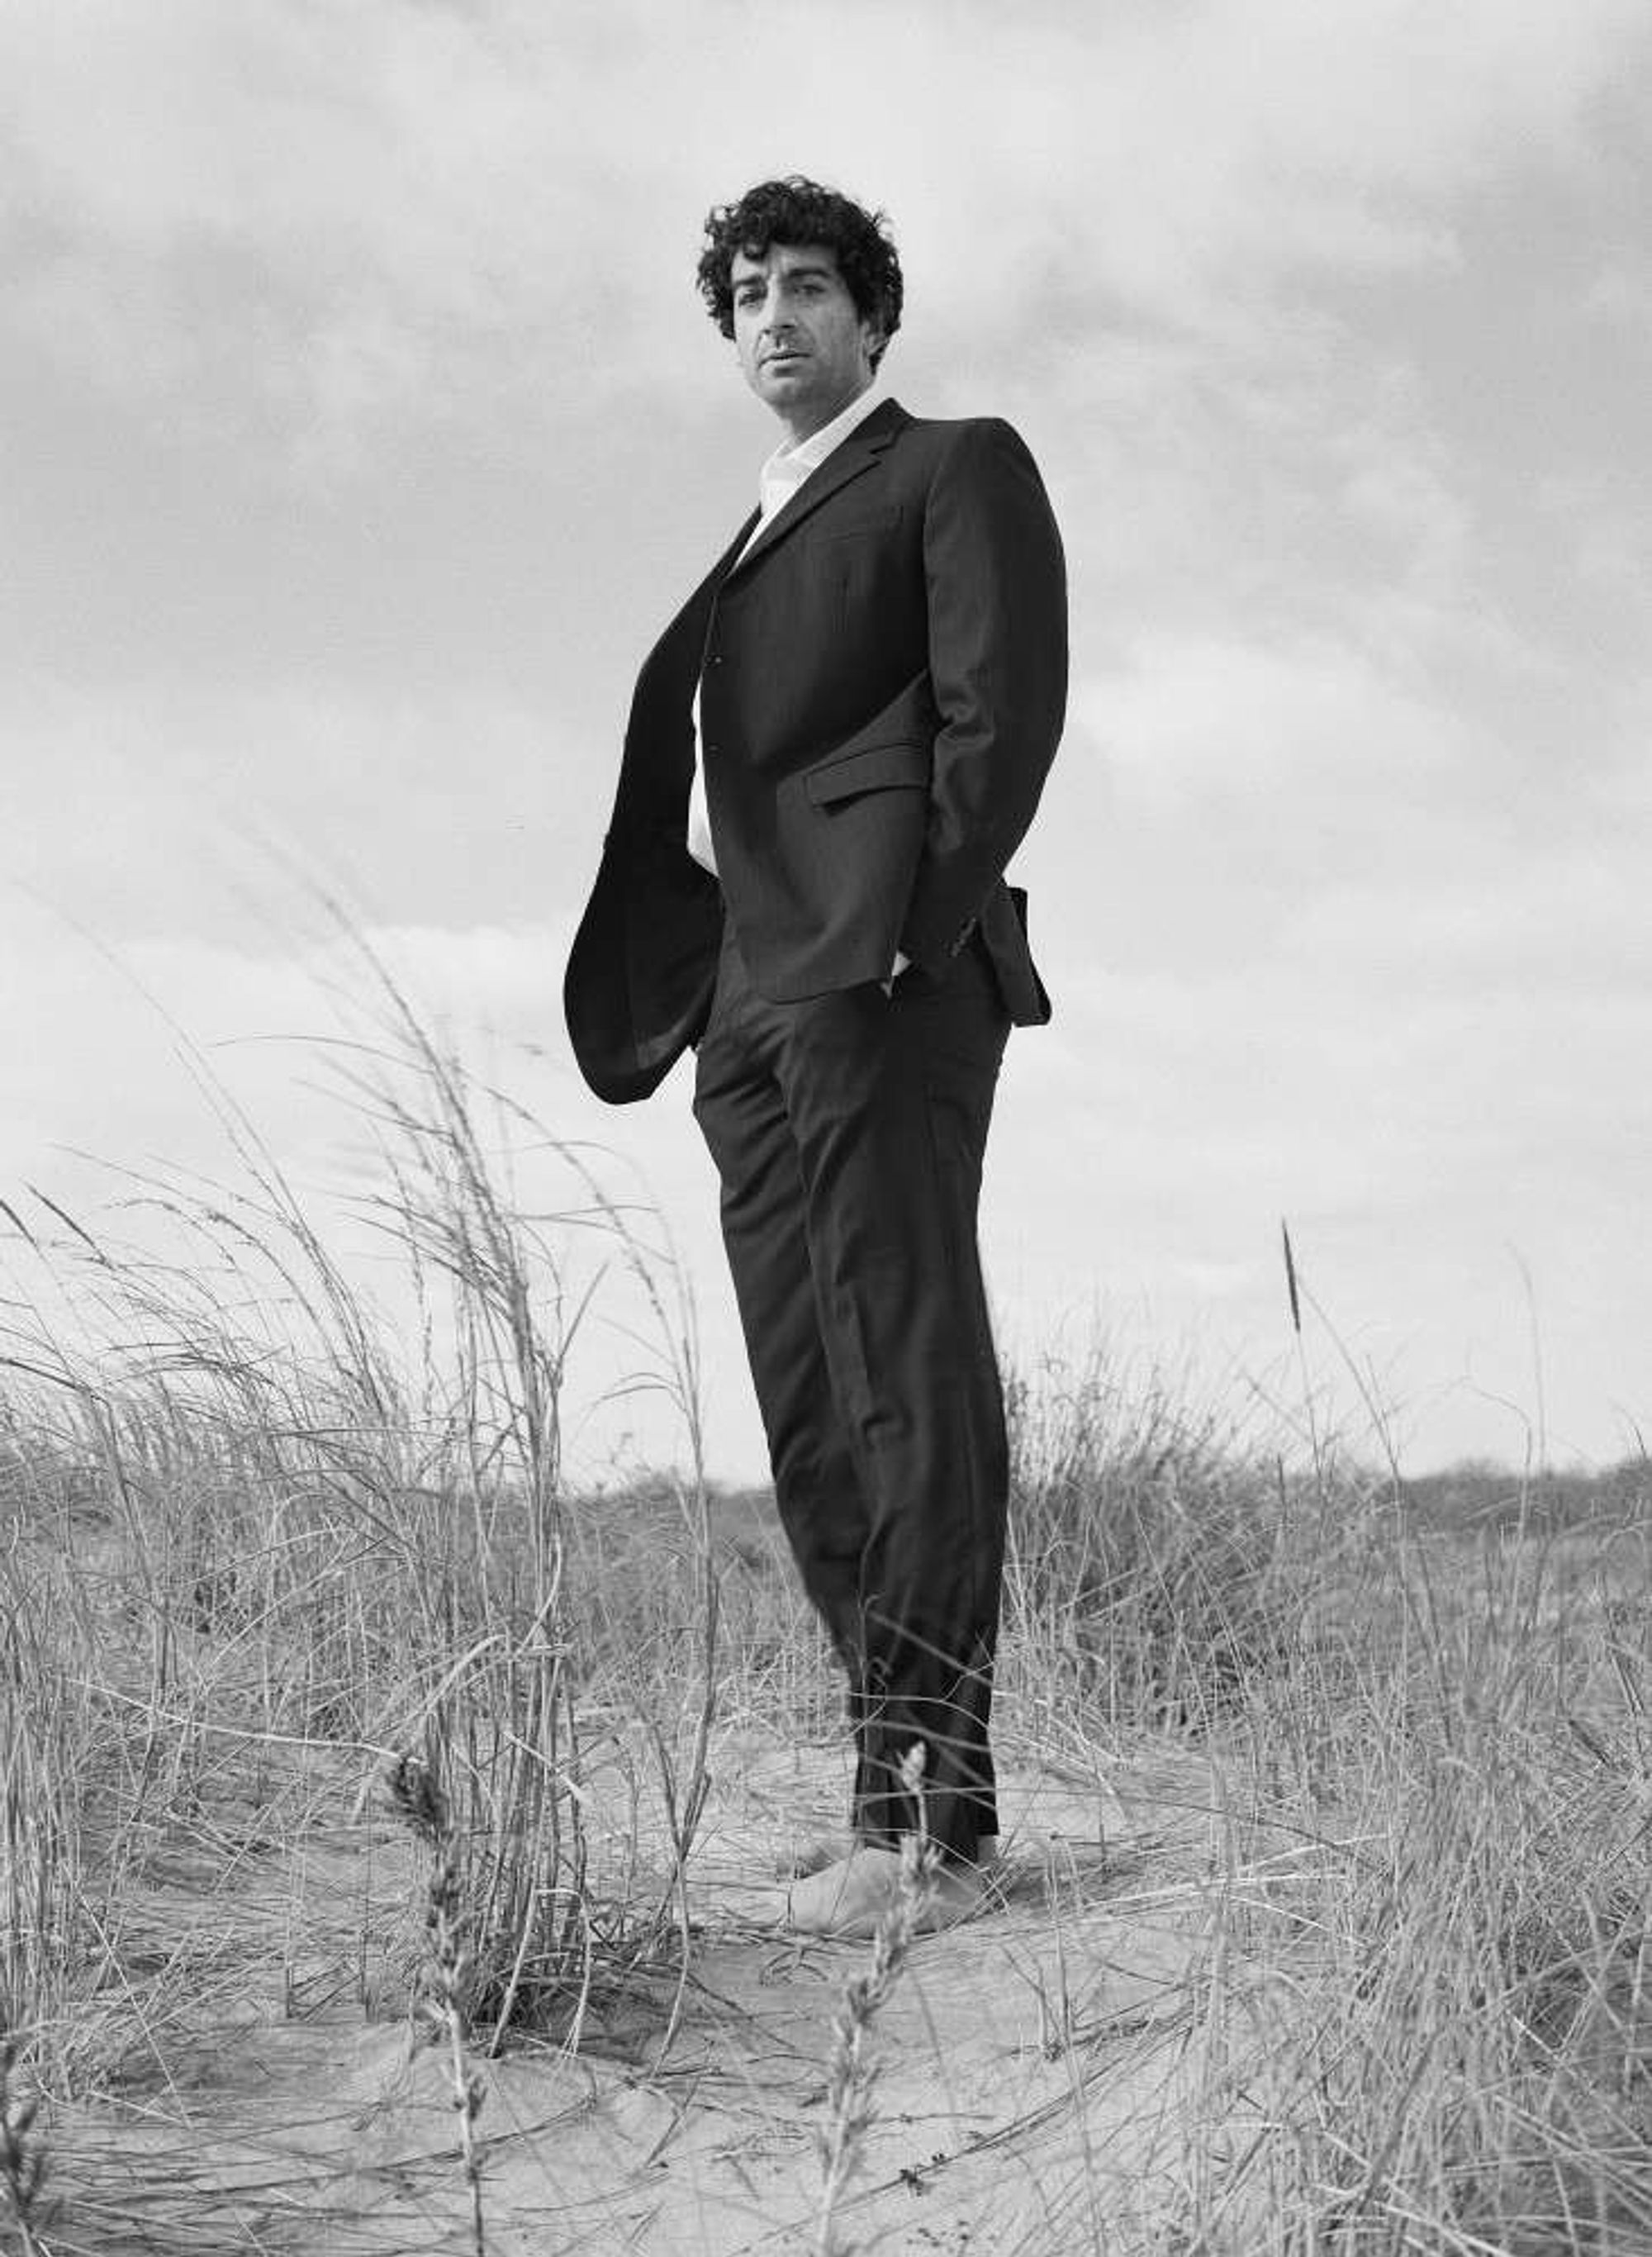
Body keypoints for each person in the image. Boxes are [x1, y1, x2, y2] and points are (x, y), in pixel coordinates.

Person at [564, 176, 1066, 1938]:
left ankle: (937, 1822)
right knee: (807, 1400)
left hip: (878, 978)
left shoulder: (952, 467)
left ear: (871, 317)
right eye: (749, 295)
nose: (774, 316)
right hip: (749, 999)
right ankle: (892, 1802)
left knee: (903, 1370)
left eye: (807, 288)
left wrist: (906, 933)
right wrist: (728, 983)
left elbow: (1000, 716)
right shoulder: (758, 524)